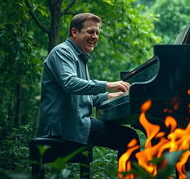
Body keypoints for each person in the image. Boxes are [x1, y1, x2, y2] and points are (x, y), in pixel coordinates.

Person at [38, 12, 139, 160]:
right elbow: (70, 84)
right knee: (129, 137)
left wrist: (109, 96)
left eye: (97, 33)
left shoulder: (79, 55)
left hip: (73, 123)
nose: (95, 37)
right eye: (91, 32)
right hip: (63, 127)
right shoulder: (62, 51)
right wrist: (108, 85)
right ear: (74, 32)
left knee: (128, 136)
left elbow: (84, 96)